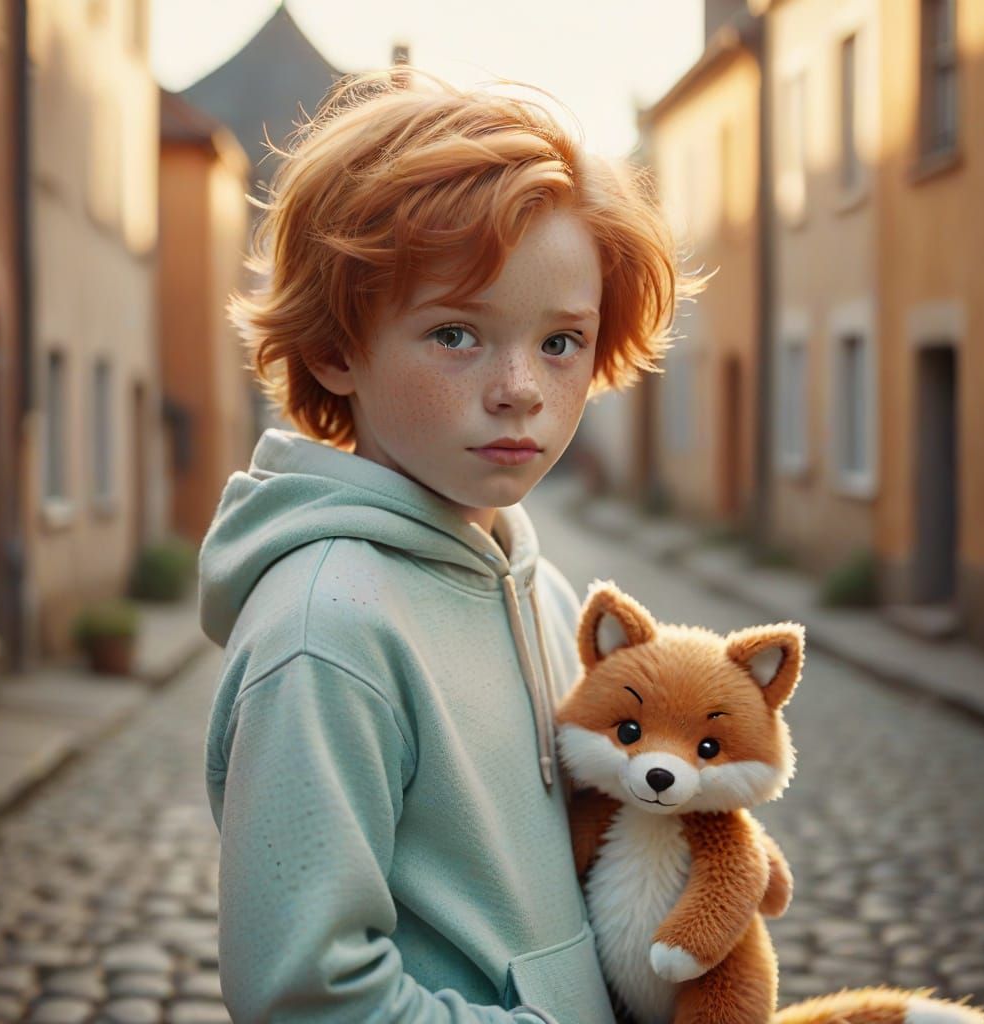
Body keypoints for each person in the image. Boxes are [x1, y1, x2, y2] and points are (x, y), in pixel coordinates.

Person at [198, 67, 678, 1024]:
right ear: (338, 348)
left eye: (560, 342)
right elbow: (307, 995)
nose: (519, 389)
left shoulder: (537, 585)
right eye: (456, 333)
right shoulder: (325, 631)